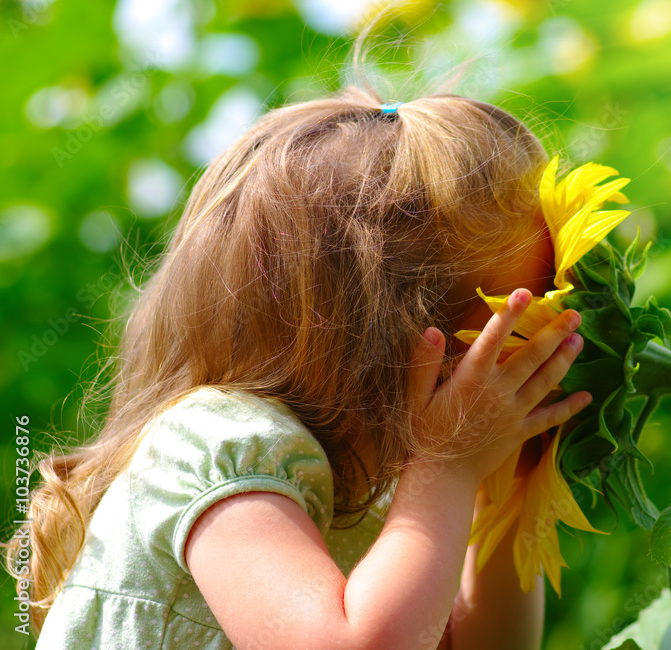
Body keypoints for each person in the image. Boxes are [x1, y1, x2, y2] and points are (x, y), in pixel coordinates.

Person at [3, 73, 595, 649]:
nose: (515, 378)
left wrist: (507, 492)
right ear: (378, 346)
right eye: (499, 349)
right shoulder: (217, 444)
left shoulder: (375, 497)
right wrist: (451, 463)